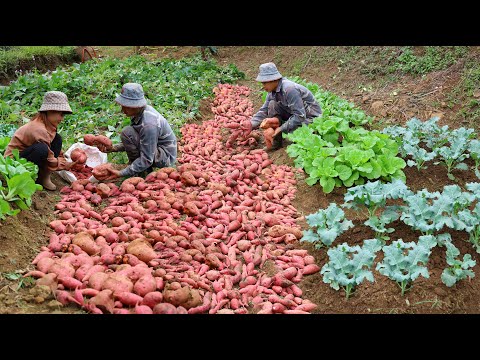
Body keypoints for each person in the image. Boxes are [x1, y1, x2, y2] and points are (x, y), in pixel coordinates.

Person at [94, 82, 177, 180]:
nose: (122, 110)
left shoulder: (149, 125)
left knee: (127, 133)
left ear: (136, 106)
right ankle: (137, 167)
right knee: (128, 133)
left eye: (126, 106)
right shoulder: (139, 113)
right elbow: (139, 140)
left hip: (165, 157)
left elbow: (147, 159)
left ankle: (141, 171)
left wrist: (121, 173)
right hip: (155, 148)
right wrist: (114, 148)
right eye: (122, 105)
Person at [4, 91, 77, 191]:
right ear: (50, 111)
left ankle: (43, 177)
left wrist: (61, 157)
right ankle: (29, 179)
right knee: (41, 149)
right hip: (14, 162)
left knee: (57, 138)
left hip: (27, 154)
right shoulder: (38, 128)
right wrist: (63, 164)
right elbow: (49, 155)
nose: (62, 118)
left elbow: (51, 143)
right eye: (61, 114)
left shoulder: (49, 125)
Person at [243, 62, 322, 151]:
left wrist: (281, 128)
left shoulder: (289, 89)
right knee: (272, 105)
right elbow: (264, 110)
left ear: (273, 79)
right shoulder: (272, 91)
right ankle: (276, 142)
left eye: (265, 83)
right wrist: (251, 124)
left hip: (311, 118)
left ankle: (305, 137)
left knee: (296, 133)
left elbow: (300, 116)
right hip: (295, 114)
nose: (263, 87)